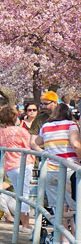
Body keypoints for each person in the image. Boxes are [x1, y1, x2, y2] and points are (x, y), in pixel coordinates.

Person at [32, 103, 81, 241]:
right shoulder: (71, 125)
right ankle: (76, 239)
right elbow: (76, 145)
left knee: (58, 209)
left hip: (50, 169)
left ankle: (62, 241)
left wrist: (45, 152)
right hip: (69, 169)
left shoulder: (45, 126)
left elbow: (36, 142)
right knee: (75, 210)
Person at [0, 105, 34, 231]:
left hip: (10, 166)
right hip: (23, 163)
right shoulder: (20, 131)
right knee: (24, 193)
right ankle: (25, 224)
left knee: (19, 192)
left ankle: (22, 223)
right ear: (14, 117)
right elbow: (28, 145)